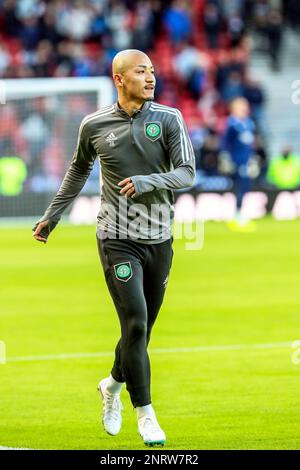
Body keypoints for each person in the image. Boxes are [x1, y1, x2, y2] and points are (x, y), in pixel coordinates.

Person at [32, 49, 195, 446]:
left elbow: (187, 173)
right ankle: (146, 415)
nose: (151, 77)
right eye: (142, 71)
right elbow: (77, 170)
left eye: (153, 71)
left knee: (143, 330)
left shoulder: (169, 119)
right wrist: (52, 216)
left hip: (158, 237)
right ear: (120, 78)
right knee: (135, 321)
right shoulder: (94, 124)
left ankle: (112, 384)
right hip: (116, 237)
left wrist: (147, 181)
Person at [221, 96, 255, 230]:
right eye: (242, 106)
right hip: (236, 162)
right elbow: (225, 143)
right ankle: (236, 215)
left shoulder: (248, 124)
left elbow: (249, 144)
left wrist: (252, 159)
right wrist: (226, 158)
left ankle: (239, 213)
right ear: (234, 108)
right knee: (238, 187)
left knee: (245, 187)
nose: (246, 109)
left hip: (246, 162)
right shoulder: (232, 124)